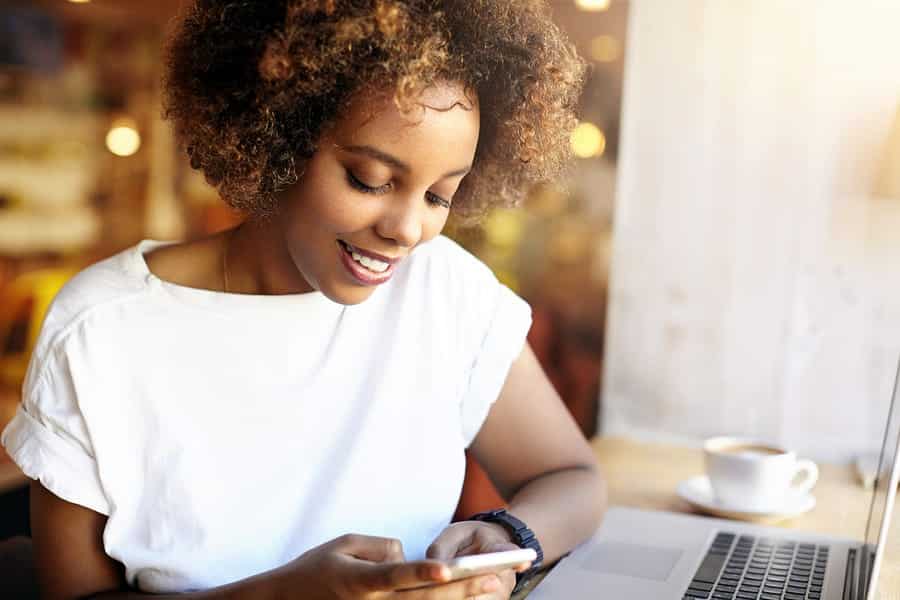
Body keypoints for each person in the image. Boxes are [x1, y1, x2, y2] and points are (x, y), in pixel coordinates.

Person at [1, 1, 607, 598]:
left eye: (439, 196)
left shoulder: (445, 292)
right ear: (277, 138)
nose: (406, 230)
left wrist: (504, 537)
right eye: (370, 180)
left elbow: (572, 479)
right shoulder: (102, 330)